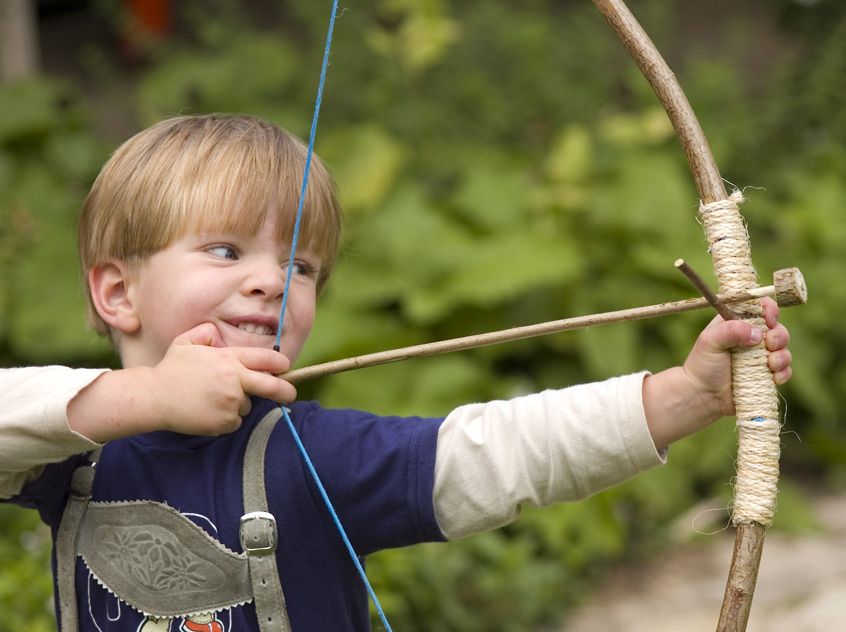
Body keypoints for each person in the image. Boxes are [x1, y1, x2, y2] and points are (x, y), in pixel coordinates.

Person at [0, 114, 792, 632]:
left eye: (301, 264)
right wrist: (143, 396)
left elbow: (500, 452)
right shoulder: (67, 451)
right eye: (225, 250)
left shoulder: (316, 457)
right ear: (117, 292)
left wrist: (684, 395)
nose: (272, 281)